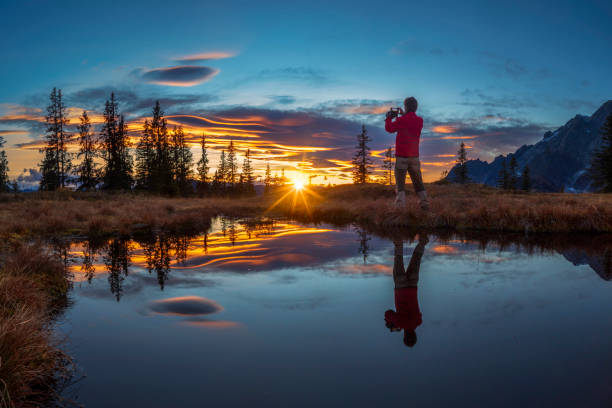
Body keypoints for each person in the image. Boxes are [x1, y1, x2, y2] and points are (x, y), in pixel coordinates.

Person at [385, 97, 429, 210]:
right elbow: (410, 121)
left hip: (402, 157)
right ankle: (424, 204)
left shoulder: (401, 120)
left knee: (400, 184)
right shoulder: (420, 121)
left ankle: (400, 208)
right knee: (418, 182)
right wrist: (405, 114)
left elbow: (389, 128)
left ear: (406, 107)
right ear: (416, 107)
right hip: (414, 157)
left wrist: (388, 118)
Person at [384, 233, 428, 347]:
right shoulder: (400, 323)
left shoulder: (418, 322)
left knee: (416, 258)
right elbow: (388, 313)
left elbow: (415, 314)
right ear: (404, 336)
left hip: (413, 285)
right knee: (398, 259)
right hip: (400, 286)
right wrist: (393, 324)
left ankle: (423, 241)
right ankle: (399, 237)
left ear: (415, 335)